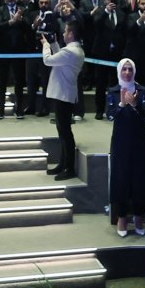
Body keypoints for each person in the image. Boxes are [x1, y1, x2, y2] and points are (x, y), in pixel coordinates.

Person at [106, 58, 145, 237]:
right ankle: (122, 217)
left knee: (140, 177)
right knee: (121, 177)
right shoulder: (113, 91)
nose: (127, 72)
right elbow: (109, 116)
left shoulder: (142, 91)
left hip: (139, 140)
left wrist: (134, 105)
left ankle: (139, 216)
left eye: (130, 69)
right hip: (120, 141)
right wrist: (121, 105)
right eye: (124, 69)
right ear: (119, 71)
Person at [41, 23, 85, 179]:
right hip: (65, 95)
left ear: (71, 34)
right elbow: (61, 57)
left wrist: (46, 45)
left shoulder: (71, 51)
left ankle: (69, 168)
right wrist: (53, 43)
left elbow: (48, 60)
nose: (63, 33)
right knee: (63, 132)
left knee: (65, 133)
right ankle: (63, 164)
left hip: (64, 96)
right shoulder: (74, 50)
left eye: (66, 31)